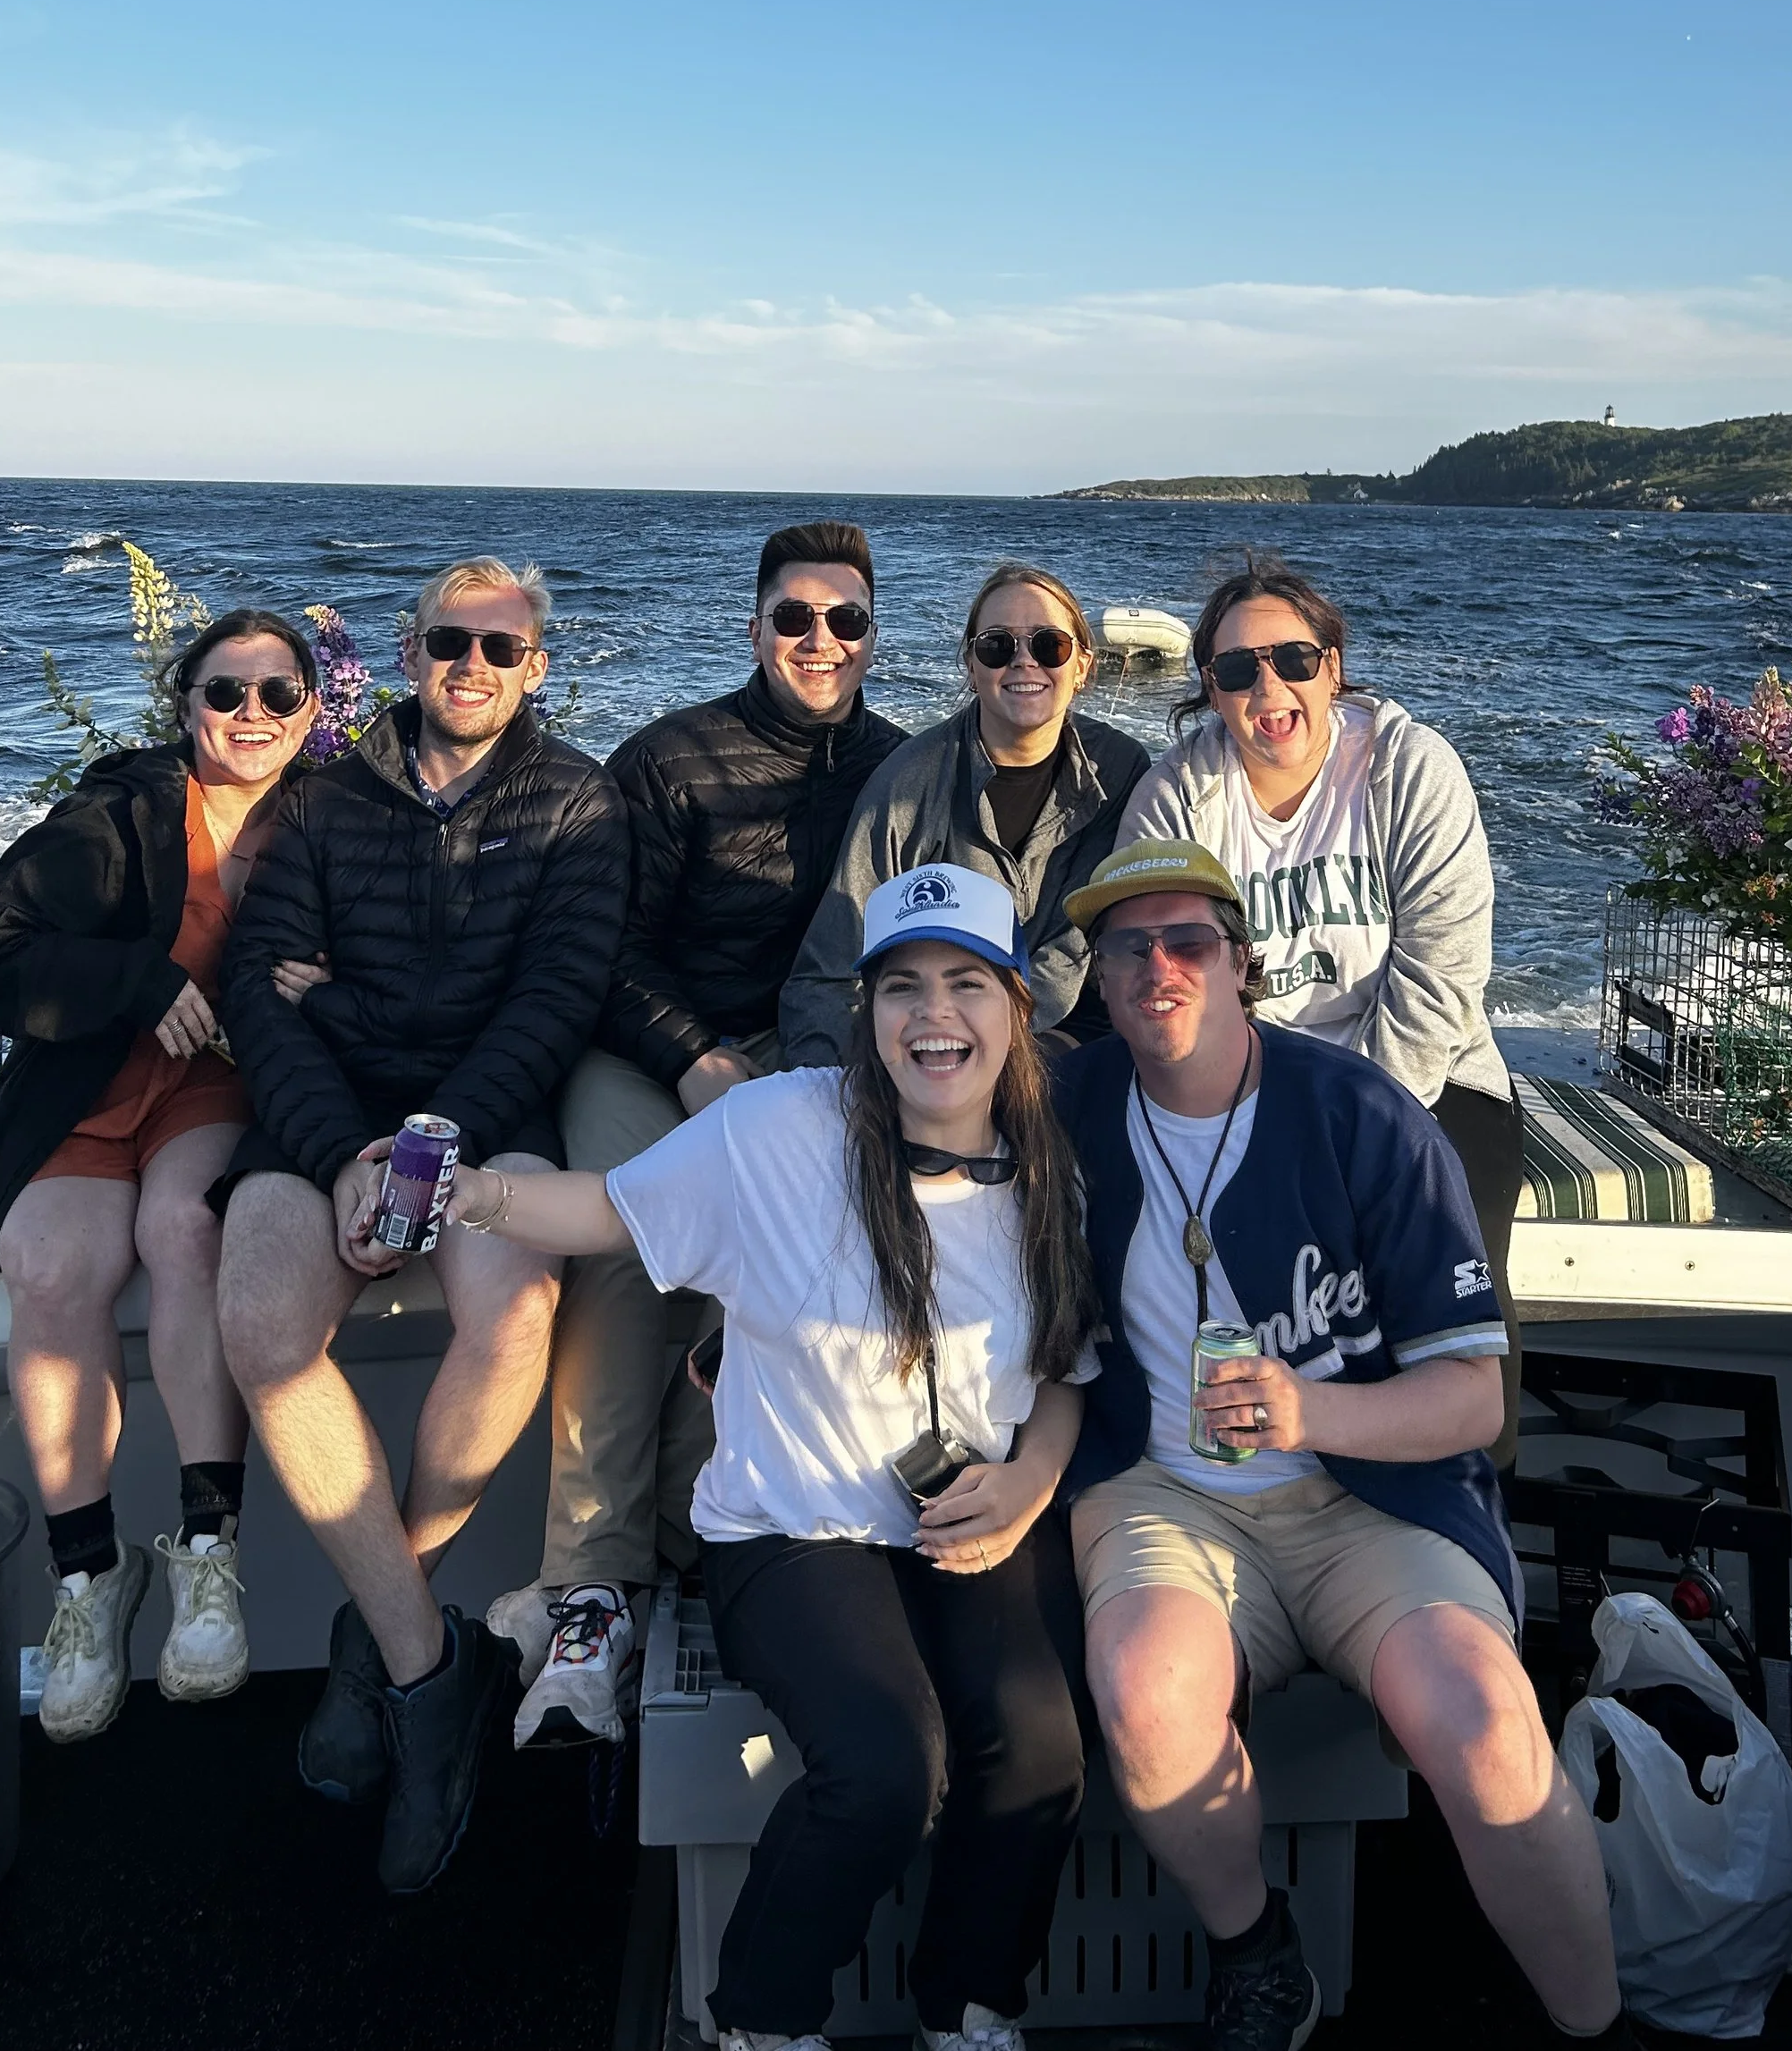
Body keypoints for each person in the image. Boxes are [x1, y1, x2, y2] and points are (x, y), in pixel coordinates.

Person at [443, 861, 1095, 2051]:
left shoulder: (1055, 1163)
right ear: (865, 1014)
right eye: (901, 988)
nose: (933, 1017)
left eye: (965, 983)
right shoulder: (776, 1128)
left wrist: (1029, 1485)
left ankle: (971, 2006)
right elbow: (607, 1211)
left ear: (1016, 1005)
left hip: (976, 1511)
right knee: (892, 1769)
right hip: (793, 1531)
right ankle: (762, 2017)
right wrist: (469, 1192)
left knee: (1042, 1749)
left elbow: (1066, 1378)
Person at [1052, 842, 1627, 2051]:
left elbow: (1474, 1398)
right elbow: (916, 1184)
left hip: (1374, 1500)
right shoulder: (1072, 1107)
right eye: (1127, 947)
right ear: (1098, 983)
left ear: (1244, 965)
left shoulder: (1360, 1114)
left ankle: (1594, 2020)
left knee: (1483, 1722)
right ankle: (1255, 1946)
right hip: (1167, 1494)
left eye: (1190, 941)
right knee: (1148, 1694)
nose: (1159, 966)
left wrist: (1316, 1416)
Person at [213, 556, 630, 1893]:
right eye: (449, 641)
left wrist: (414, 1148)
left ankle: (374, 1628)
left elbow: (551, 1004)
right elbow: (257, 993)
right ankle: (425, 1668)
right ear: (404, 651)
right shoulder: (323, 801)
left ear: (536, 667)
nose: (472, 665)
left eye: (500, 649)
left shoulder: (576, 803)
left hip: (478, 1120)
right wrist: (343, 1146)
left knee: (516, 1314)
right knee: (261, 1322)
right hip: (323, 1121)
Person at [502, 519, 908, 1750]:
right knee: (631, 1235)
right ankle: (592, 1582)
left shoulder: (899, 769)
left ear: (872, 635)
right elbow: (597, 948)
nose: (819, 641)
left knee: (802, 1240)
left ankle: (701, 1534)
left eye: (844, 620)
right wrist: (690, 1058)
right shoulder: (669, 762)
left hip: (808, 1064)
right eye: (795, 617)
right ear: (756, 630)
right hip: (649, 1052)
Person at [0, 608, 325, 1743]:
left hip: (217, 1091)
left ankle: (209, 1553)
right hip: (96, 1084)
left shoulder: (334, 819)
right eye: (225, 693)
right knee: (47, 1262)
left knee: (185, 1232)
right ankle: (88, 1579)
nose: (250, 715)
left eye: (276, 693)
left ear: (314, 709)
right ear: (185, 705)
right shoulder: (120, 811)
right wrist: (137, 983)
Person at [1114, 553, 1527, 1451]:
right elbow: (1164, 981)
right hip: (1240, 1091)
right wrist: (1266, 1125)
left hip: (1427, 1081)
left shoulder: (1410, 770)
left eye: (1293, 660)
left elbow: (1440, 979)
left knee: (1452, 1309)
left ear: (1331, 666)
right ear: (1211, 690)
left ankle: (1460, 1520)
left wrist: (1344, 1136)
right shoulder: (1178, 798)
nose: (1269, 686)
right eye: (1236, 669)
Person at [781, 562, 1146, 1068]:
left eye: (1049, 646)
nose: (1024, 662)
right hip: (937, 1046)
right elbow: (829, 974)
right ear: (972, 667)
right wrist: (834, 1102)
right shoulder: (908, 786)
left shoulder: (1122, 771)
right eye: (998, 646)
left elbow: (1109, 940)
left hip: (1075, 1036)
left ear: (1082, 666)